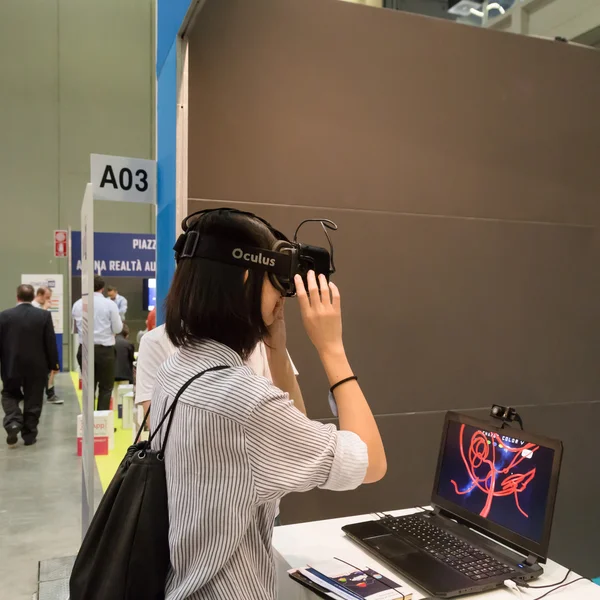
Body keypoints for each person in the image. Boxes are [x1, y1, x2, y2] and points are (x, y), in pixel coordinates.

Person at [151, 209, 386, 599]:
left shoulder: (177, 370)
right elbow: (371, 463)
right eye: (276, 284)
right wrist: (332, 349)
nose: (282, 295)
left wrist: (275, 341)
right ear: (246, 278)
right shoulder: (244, 402)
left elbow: (296, 425)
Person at [0, 284, 60, 447]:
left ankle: (13, 421)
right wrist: (54, 363)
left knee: (9, 394)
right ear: (33, 296)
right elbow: (50, 341)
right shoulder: (43, 316)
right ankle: (29, 434)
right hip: (37, 367)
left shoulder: (4, 316)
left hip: (11, 365)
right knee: (33, 399)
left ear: (17, 297)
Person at [72, 276, 123, 410]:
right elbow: (118, 328)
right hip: (105, 351)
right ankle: (101, 424)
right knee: (106, 388)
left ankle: (88, 421)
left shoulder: (78, 304)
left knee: (88, 387)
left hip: (85, 350)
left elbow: (76, 329)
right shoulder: (110, 304)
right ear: (102, 288)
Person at [31, 286, 62, 404]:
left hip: (44, 344)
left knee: (51, 370)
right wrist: (44, 309)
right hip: (36, 345)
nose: (49, 300)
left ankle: (50, 394)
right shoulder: (34, 307)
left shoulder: (42, 308)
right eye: (47, 297)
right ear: (39, 294)